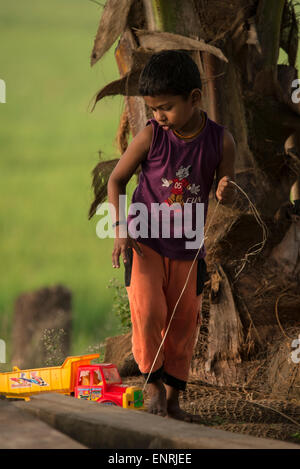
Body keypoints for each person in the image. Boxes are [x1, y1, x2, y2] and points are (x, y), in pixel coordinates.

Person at [107, 50, 236, 422]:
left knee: (183, 323)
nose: (158, 117)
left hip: (190, 250)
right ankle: (152, 391)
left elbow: (225, 183)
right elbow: (117, 180)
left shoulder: (220, 141)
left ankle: (175, 401)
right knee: (148, 314)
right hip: (144, 243)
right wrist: (119, 230)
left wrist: (226, 187)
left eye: (165, 107)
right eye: (152, 109)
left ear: (195, 99)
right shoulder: (151, 136)